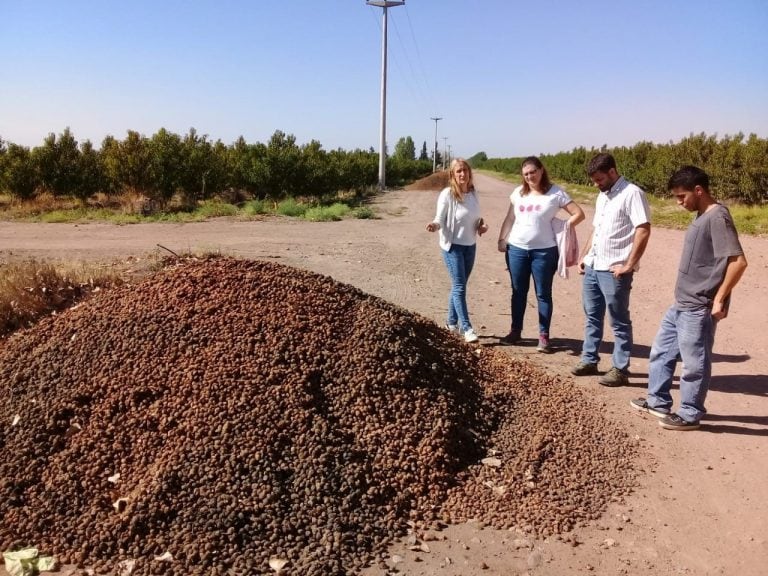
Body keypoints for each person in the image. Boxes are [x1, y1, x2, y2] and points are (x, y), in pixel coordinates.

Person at [630, 166, 747, 430]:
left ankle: (690, 413)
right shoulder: (701, 215)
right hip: (681, 303)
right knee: (661, 352)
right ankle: (657, 401)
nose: (679, 202)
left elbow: (738, 262)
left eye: (681, 197)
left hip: (699, 306)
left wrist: (719, 298)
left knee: (694, 363)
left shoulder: (718, 217)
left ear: (698, 190)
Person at [572, 152, 651, 386]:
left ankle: (620, 369)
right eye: (594, 180)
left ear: (612, 172)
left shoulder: (632, 194)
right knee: (592, 316)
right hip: (594, 266)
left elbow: (643, 229)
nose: (596, 184)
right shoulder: (602, 196)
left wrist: (629, 264)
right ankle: (589, 359)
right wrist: (585, 256)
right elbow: (596, 229)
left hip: (615, 270)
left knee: (619, 321)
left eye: (600, 179)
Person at [496, 156, 585, 352]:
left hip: (544, 252)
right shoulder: (518, 193)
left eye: (533, 172)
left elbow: (579, 213)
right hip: (517, 249)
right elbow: (510, 218)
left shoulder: (556, 193)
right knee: (518, 292)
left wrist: (565, 227)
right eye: (526, 174)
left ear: (541, 170)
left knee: (543, 294)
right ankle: (515, 331)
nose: (529, 177)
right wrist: (502, 239)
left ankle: (543, 336)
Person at [427, 158, 489, 343]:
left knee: (458, 286)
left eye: (465, 170)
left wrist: (481, 226)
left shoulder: (473, 194)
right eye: (458, 171)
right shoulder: (448, 194)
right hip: (452, 247)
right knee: (460, 286)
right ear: (452, 175)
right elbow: (439, 218)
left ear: (469, 173)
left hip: (470, 246)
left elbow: (476, 218)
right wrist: (435, 225)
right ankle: (467, 327)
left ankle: (451, 323)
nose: (462, 174)